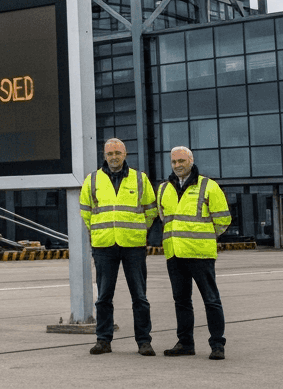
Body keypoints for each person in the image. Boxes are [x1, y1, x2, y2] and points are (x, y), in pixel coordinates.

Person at [80, 137, 157, 356]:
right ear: (104, 156)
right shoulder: (92, 180)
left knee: (139, 296)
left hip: (133, 245)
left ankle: (144, 341)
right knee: (104, 296)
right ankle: (103, 340)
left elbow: (150, 210)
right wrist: (99, 231)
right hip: (104, 245)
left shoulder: (139, 179)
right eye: (110, 154)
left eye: (118, 153)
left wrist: (138, 230)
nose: (114, 157)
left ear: (125, 155)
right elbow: (86, 211)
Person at [158, 146, 232, 360]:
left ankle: (217, 344)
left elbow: (223, 220)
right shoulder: (163, 189)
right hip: (174, 254)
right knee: (181, 301)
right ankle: (185, 343)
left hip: (200, 254)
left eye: (181, 161)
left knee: (211, 300)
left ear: (191, 161)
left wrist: (205, 236)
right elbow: (164, 218)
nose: (177, 165)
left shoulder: (208, 186)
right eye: (174, 162)